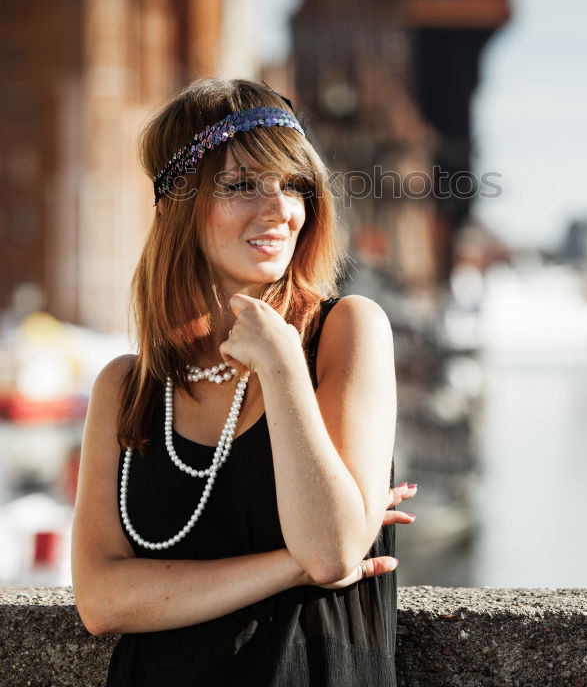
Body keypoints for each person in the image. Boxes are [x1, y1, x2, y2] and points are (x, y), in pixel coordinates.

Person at [71, 77, 418, 686]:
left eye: (294, 186)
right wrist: (291, 565)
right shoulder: (126, 386)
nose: (279, 210)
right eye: (240, 186)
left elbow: (334, 549)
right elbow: (101, 601)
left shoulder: (349, 330)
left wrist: (282, 364)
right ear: (177, 202)